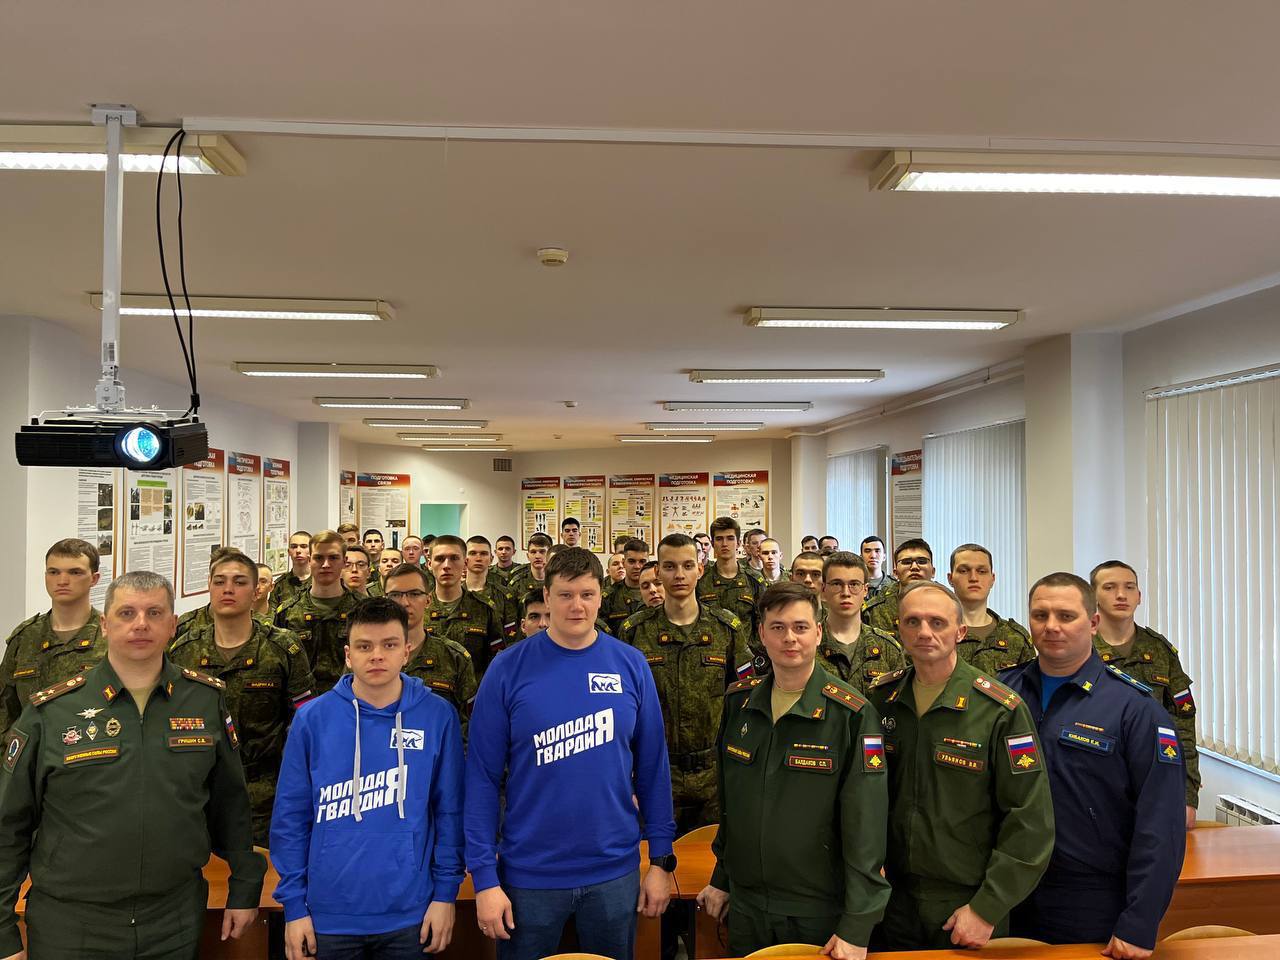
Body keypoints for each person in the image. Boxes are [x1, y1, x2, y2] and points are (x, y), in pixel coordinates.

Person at [0, 570, 265, 958]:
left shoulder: (204, 700)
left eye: (154, 613)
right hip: (71, 923)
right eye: (127, 613)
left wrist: (244, 887)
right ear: (105, 625)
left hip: (173, 919)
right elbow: (9, 824)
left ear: (173, 625)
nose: (141, 624)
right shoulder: (53, 711)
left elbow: (231, 805)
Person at [465, 548, 675, 960]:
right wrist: (485, 878)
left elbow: (653, 768)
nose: (576, 606)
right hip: (529, 874)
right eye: (565, 595)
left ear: (600, 597)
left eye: (586, 594)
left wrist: (661, 860)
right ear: (547, 596)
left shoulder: (630, 664)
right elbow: (482, 777)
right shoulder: (507, 668)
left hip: (614, 871)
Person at [697, 581, 890, 959]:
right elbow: (732, 807)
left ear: (818, 632)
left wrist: (857, 925)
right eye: (778, 627)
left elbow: (866, 827)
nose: (790, 638)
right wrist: (722, 878)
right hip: (747, 906)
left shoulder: (850, 713)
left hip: (817, 911)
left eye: (800, 627)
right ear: (761, 634)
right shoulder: (740, 703)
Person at [1003, 572, 1187, 958]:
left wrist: (1140, 923)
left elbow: (1161, 824)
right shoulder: (1003, 694)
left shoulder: (1136, 710)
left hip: (1090, 898)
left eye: (1066, 616)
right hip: (1006, 891)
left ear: (1093, 623)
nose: (1051, 626)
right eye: (1040, 615)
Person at [272, 597, 464, 960]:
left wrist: (445, 895)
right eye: (364, 646)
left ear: (406, 651)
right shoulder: (312, 719)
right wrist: (294, 907)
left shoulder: (438, 716)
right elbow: (290, 818)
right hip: (327, 916)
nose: (377, 656)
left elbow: (450, 812)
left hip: (411, 913)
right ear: (348, 655)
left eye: (389, 645)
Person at [867, 581, 1053, 950]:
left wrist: (987, 908)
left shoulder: (999, 709)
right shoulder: (882, 700)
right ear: (898, 629)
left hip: (967, 900)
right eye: (913, 621)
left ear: (960, 632)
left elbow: (1030, 819)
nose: (924, 632)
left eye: (937, 622)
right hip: (892, 900)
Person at [620, 535, 749, 959]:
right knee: (654, 883)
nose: (679, 575)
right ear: (657, 571)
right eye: (670, 566)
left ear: (700, 569)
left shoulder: (727, 629)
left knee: (711, 884)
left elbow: (746, 700)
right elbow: (623, 709)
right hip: (656, 775)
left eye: (687, 565)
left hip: (714, 774)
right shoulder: (635, 631)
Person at [169, 550, 315, 845]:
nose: (228, 589)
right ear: (209, 586)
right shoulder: (183, 651)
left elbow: (305, 720)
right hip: (199, 792)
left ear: (256, 590)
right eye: (219, 581)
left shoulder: (282, 647)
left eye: (239, 582)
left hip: (266, 796)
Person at [1089, 560, 1200, 829]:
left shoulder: (1160, 650)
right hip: (1094, 780)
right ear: (1092, 596)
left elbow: (1182, 726)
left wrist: (1187, 796)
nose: (1121, 595)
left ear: (1139, 596)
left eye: (1129, 587)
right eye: (1110, 587)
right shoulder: (1079, 648)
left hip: (1154, 776)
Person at [0, 538, 105, 735]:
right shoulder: (25, 637)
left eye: (75, 572)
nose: (62, 581)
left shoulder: (111, 635)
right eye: (54, 572)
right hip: (33, 750)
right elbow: (5, 709)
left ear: (94, 578)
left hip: (94, 749)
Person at [383, 563, 477, 720]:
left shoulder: (454, 657)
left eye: (414, 594)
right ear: (384, 600)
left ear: (428, 600)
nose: (405, 602)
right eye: (395, 595)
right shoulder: (367, 655)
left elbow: (469, 722)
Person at [275, 531, 362, 694]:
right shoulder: (288, 612)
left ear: (344, 562)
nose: (326, 564)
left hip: (351, 700)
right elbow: (278, 667)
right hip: (301, 703)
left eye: (333, 558)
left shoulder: (363, 609)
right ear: (310, 560)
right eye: (319, 558)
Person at [817, 552, 905, 692]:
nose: (846, 592)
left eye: (854, 584)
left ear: (865, 590)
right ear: (823, 590)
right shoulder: (808, 644)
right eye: (837, 584)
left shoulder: (887, 648)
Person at [946, 544, 1036, 674]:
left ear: (992, 579)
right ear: (950, 578)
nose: (973, 578)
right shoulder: (936, 633)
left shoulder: (1016, 638)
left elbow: (1028, 684)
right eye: (964, 571)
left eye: (982, 571)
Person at [425, 537, 505, 677]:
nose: (446, 565)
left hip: (474, 689)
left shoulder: (484, 609)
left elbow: (498, 660)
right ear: (429, 564)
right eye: (440, 559)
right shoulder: (418, 608)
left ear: (465, 563)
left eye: (454, 558)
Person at [698, 517, 766, 635]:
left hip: (746, 646)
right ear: (713, 544)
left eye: (730, 538)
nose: (725, 544)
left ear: (738, 543)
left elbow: (762, 622)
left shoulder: (754, 580)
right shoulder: (701, 579)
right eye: (719, 539)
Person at [864, 539, 935, 634]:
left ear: (933, 571)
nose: (914, 567)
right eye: (906, 562)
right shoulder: (874, 610)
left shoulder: (949, 604)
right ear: (895, 573)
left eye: (922, 561)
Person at [465, 535, 519, 641]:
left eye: (483, 553)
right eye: (472, 553)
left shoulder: (504, 595)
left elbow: (511, 636)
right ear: (464, 559)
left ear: (491, 559)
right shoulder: (455, 593)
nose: (478, 558)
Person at [601, 538, 649, 633]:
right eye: (631, 561)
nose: (637, 566)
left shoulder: (657, 593)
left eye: (642, 562)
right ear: (624, 563)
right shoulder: (609, 596)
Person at [508, 534, 552, 616]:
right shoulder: (517, 583)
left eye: (542, 552)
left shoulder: (556, 581)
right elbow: (510, 615)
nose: (537, 556)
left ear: (549, 555)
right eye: (533, 552)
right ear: (528, 556)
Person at [270, 530, 313, 610]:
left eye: (303, 546)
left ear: (312, 550)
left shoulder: (320, 581)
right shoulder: (280, 584)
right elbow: (272, 614)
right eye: (294, 547)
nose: (298, 551)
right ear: (289, 552)